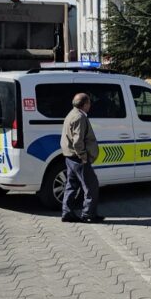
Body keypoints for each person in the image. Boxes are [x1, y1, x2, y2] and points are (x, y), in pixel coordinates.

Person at [60, 92, 104, 223]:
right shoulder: (80, 117)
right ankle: (88, 214)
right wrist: (84, 157)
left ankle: (67, 213)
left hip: (70, 157)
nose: (90, 105)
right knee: (91, 186)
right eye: (89, 102)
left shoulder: (71, 114)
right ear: (84, 104)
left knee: (71, 186)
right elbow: (78, 141)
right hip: (78, 158)